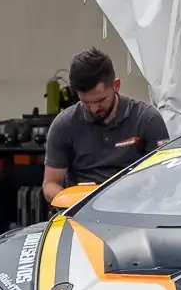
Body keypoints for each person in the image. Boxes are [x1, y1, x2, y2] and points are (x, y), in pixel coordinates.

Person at [41, 49, 170, 202]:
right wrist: (76, 204)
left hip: (134, 207)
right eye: (86, 102)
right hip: (81, 210)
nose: (94, 109)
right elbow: (50, 185)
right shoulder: (64, 125)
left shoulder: (147, 119)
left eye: (100, 100)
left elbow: (163, 178)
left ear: (116, 85)